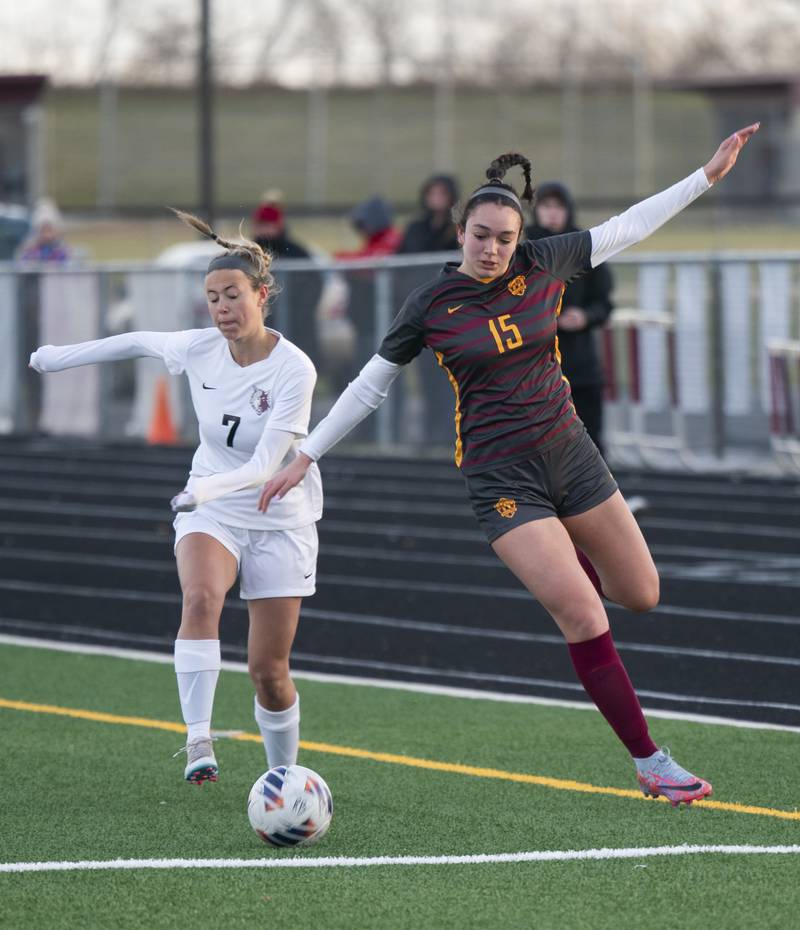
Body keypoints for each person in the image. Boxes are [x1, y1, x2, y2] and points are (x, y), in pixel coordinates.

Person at [258, 124, 759, 807]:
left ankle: (569, 555)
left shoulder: (545, 263)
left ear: (518, 238)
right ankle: (651, 762)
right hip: (501, 480)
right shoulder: (431, 304)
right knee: (585, 615)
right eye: (480, 234)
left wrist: (706, 175)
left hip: (572, 455)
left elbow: (628, 227)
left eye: (503, 237)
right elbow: (369, 386)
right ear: (460, 231)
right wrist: (305, 453)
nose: (491, 247)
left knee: (641, 593)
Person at [29, 212, 323, 785]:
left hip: (278, 516)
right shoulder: (199, 348)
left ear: (262, 295)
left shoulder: (295, 370)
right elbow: (136, 339)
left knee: (269, 670)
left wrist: (201, 488)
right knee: (201, 599)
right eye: (212, 298)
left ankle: (283, 778)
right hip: (210, 510)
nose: (221, 309)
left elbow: (266, 466)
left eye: (232, 295)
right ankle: (198, 740)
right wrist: (57, 357)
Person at [526, 181, 612, 455]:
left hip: (580, 363)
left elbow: (604, 303)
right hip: (536, 364)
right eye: (546, 206)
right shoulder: (523, 248)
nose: (552, 213)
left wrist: (585, 316)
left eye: (558, 207)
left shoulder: (585, 246)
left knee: (589, 442)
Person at [250, 191, 323, 366]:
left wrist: (300, 312)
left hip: (298, 328)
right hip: (263, 326)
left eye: (268, 224)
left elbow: (315, 285)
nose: (264, 230)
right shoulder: (250, 254)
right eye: (261, 225)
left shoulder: (298, 253)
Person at [398, 174, 461, 254]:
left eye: (442, 193)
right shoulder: (416, 228)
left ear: (451, 196)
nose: (436, 198)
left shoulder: (457, 229)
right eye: (432, 193)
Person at [17, 198, 71, 262]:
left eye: (50, 231)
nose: (47, 236)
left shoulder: (62, 250)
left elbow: (68, 263)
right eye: (43, 231)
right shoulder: (29, 251)